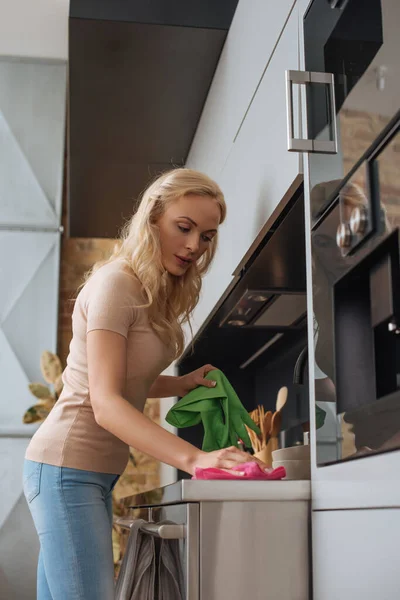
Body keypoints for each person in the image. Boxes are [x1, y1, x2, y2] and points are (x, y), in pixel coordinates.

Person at [23, 168, 267, 600]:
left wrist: (183, 384)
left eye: (206, 236)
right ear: (153, 218)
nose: (194, 246)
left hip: (89, 474)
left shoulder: (148, 290)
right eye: (184, 227)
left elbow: (125, 381)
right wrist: (195, 459)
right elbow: (104, 402)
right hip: (65, 468)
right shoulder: (116, 285)